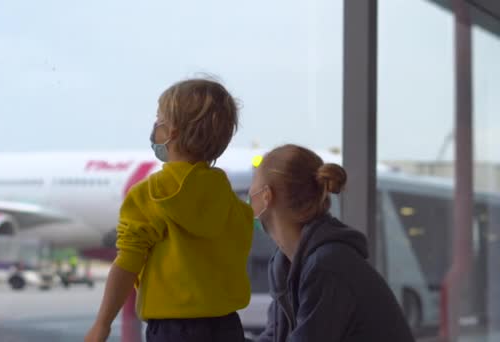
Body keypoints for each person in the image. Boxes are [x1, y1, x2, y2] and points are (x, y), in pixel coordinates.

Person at [85, 78, 254, 342]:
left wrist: (102, 324)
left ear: (172, 131)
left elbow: (127, 264)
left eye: (159, 119)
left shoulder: (150, 195)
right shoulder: (228, 199)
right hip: (227, 326)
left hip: (173, 330)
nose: (155, 127)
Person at [249, 144, 415, 342]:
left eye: (253, 187)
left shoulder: (326, 266)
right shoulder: (290, 264)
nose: (249, 197)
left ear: (267, 196)